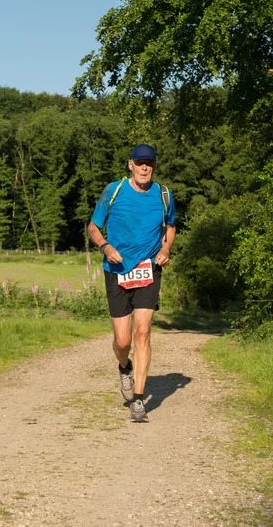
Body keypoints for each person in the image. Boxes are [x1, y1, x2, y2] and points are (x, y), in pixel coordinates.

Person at [87, 144, 176, 422]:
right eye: (140, 163)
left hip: (148, 269)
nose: (144, 168)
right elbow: (92, 227)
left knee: (143, 332)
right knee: (123, 340)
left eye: (149, 163)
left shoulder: (164, 195)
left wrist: (165, 250)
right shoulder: (113, 191)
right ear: (130, 165)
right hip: (116, 269)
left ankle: (138, 400)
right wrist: (105, 247)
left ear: (154, 166)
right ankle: (124, 367)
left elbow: (170, 227)